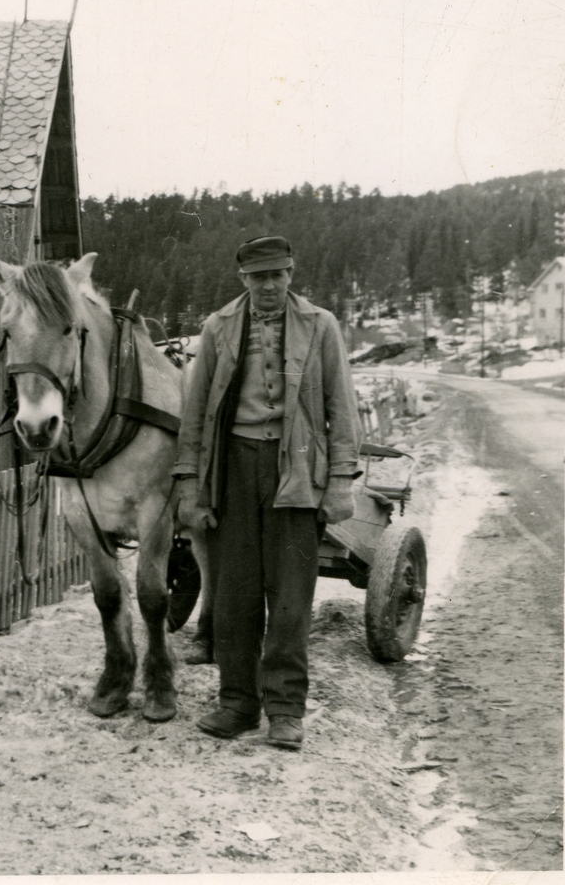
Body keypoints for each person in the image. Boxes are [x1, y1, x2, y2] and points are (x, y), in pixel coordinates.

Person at [172, 235, 362, 750]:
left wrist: (341, 480)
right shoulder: (217, 328)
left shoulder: (320, 326)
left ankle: (284, 711)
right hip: (233, 472)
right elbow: (193, 416)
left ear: (292, 273)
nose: (270, 286)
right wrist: (191, 485)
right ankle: (237, 703)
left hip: (298, 473)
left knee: (291, 600)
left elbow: (341, 407)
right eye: (259, 277)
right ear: (244, 281)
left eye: (278, 275)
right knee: (233, 597)